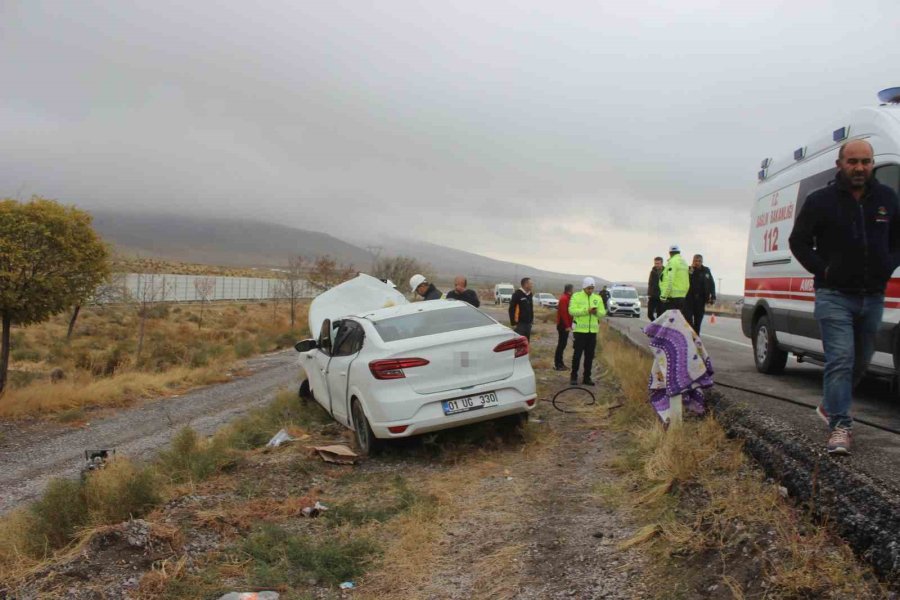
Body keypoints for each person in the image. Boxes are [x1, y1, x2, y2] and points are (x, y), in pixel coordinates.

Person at [788, 139, 900, 455]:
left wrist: (888, 264)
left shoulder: (887, 198)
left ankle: (830, 404)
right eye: (853, 162)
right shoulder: (820, 200)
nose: (860, 167)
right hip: (833, 295)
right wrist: (823, 270)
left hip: (873, 296)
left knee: (861, 362)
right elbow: (798, 241)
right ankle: (841, 425)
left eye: (865, 161)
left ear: (872, 163)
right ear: (840, 164)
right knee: (841, 359)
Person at [568, 277, 606, 386]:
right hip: (579, 331)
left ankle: (587, 378)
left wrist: (596, 312)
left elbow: (603, 313)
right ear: (584, 287)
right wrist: (586, 311)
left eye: (592, 288)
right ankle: (574, 376)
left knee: (589, 356)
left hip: (592, 332)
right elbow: (571, 311)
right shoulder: (576, 296)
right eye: (588, 288)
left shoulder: (597, 298)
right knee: (577, 355)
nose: (590, 290)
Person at [686, 254, 716, 333]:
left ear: (702, 261)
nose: (697, 263)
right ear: (693, 261)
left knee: (698, 321)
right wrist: (691, 270)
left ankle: (696, 337)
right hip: (689, 299)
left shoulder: (706, 270)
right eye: (695, 261)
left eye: (699, 261)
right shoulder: (689, 270)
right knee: (688, 318)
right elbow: (685, 281)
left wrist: (713, 296)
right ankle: (692, 333)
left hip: (701, 299)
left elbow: (711, 283)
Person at [659, 244, 690, 322]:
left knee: (667, 320)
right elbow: (686, 280)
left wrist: (664, 296)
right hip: (682, 296)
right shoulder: (684, 263)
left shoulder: (672, 262)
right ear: (679, 252)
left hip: (672, 296)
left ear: (670, 253)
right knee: (676, 320)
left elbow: (669, 280)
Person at [554, 284, 574, 370]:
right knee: (561, 345)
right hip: (563, 325)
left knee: (563, 344)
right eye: (572, 289)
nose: (573, 291)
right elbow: (563, 314)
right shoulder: (564, 299)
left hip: (565, 325)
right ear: (570, 290)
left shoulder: (568, 298)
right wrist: (567, 326)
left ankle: (560, 363)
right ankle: (558, 364)